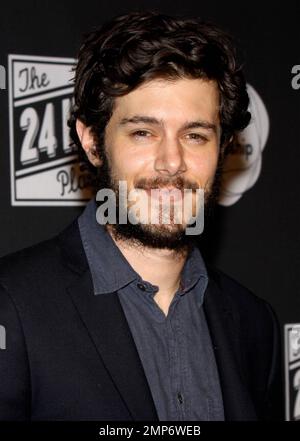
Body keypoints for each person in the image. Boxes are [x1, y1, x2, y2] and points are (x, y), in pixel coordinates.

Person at [0, 11, 283, 421]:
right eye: (143, 133)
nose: (172, 162)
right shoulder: (12, 306)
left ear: (222, 149)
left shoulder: (256, 324)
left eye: (195, 135)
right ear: (93, 142)